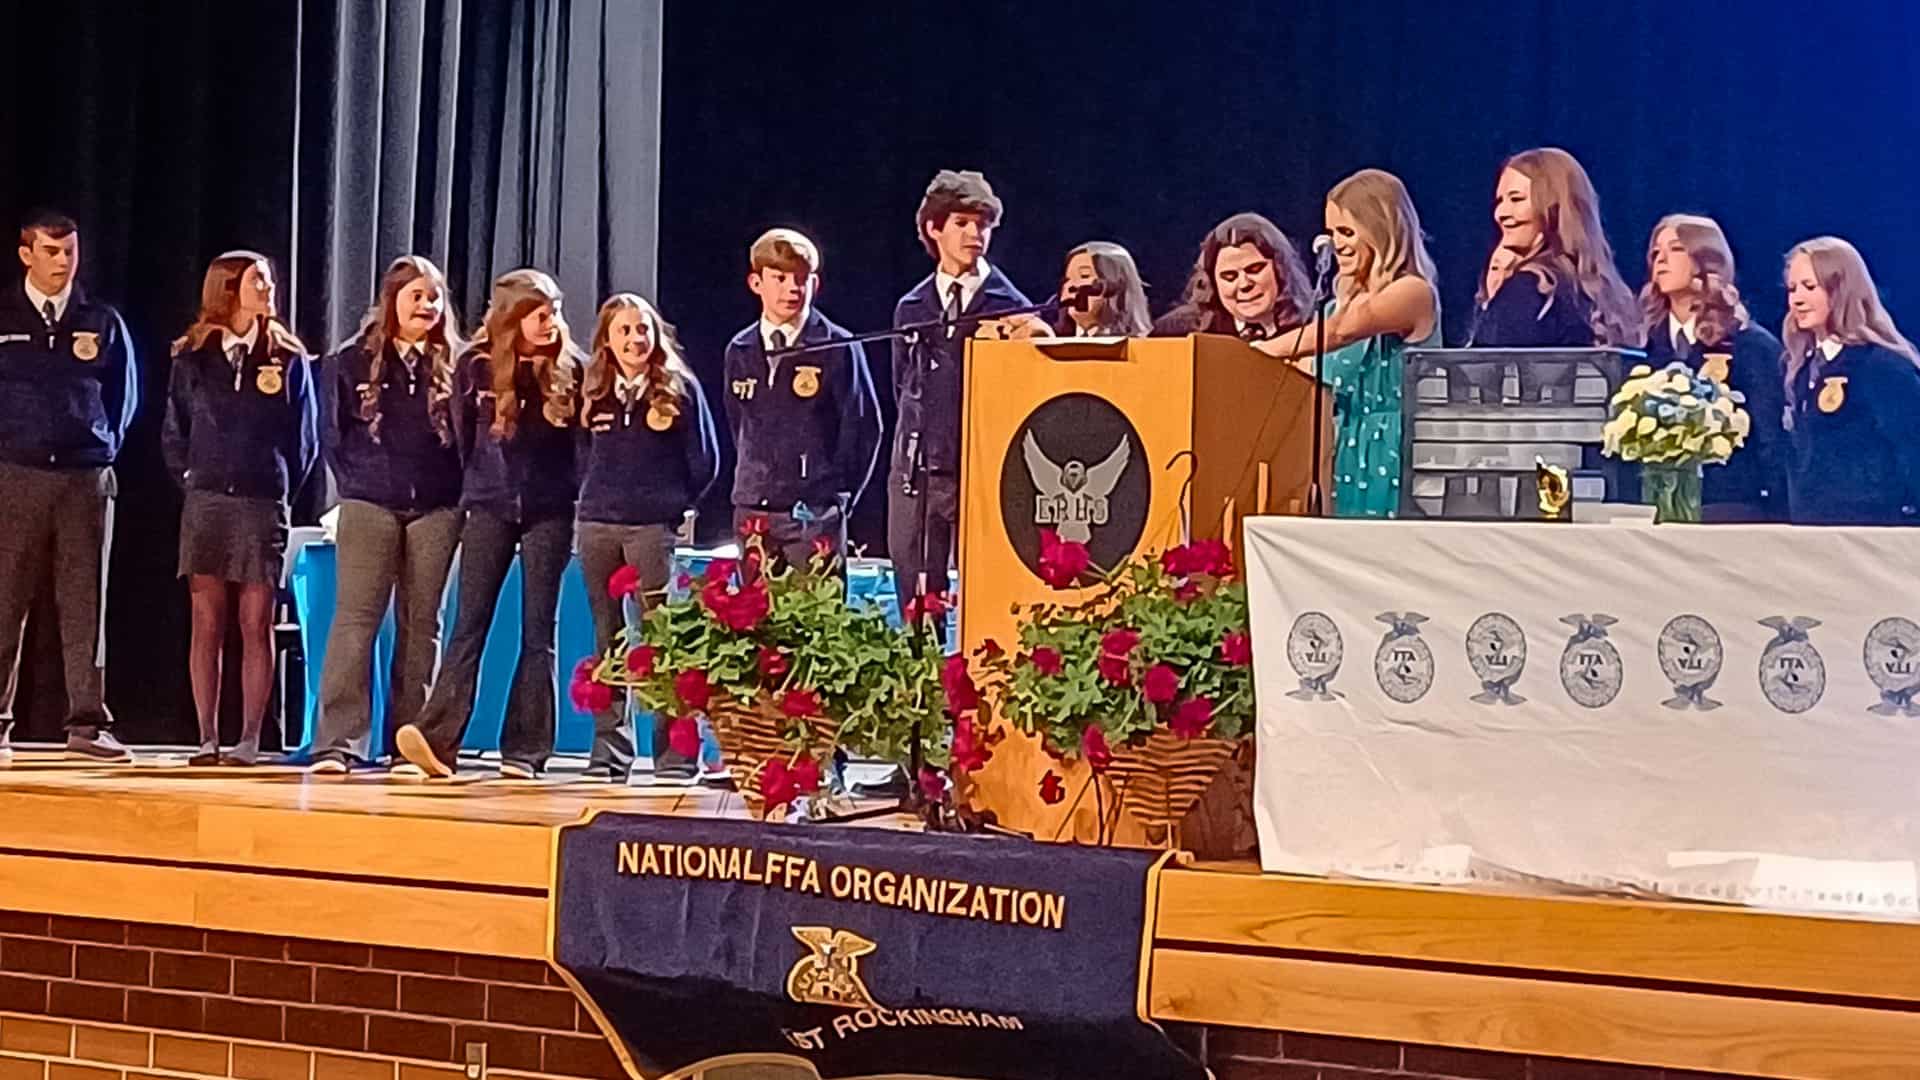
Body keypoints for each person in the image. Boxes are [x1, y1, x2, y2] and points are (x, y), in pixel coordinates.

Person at [395, 269, 583, 779]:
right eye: (539, 315)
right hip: (488, 507)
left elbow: (580, 451)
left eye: (555, 312)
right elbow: (461, 437)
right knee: (467, 623)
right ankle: (437, 739)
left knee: (539, 630)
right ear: (512, 318)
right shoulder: (475, 367)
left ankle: (526, 750)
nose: (551, 323)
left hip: (549, 511)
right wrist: (480, 489)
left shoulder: (573, 370)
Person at [309, 256, 466, 775]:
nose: (426, 305)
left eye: (434, 297)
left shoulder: (458, 365)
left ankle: (410, 743)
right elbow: (331, 436)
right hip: (369, 503)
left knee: (424, 626)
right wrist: (357, 484)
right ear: (391, 299)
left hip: (438, 509)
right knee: (356, 620)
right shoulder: (351, 361)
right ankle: (339, 743)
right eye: (416, 295)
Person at [163, 251, 319, 765]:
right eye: (258, 281)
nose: (269, 289)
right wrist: (191, 478)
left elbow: (305, 442)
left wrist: (276, 487)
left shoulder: (288, 358)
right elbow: (174, 429)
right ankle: (206, 736)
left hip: (260, 503)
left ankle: (250, 738)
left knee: (256, 622)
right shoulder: (192, 356)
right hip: (206, 501)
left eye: (270, 281)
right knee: (206, 620)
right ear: (228, 289)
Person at [0, 210, 138, 765]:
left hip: (84, 478)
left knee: (87, 604)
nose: (62, 262)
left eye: (70, 251)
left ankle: (86, 723)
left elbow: (124, 396)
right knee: (7, 599)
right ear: (25, 254)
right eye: (51, 251)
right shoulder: (4, 315)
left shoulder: (99, 320)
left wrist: (99, 447)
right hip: (16, 474)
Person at [576, 293, 718, 782]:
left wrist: (673, 504)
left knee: (663, 640)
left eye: (643, 329)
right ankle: (609, 754)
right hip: (596, 527)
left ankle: (676, 756)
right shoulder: (592, 389)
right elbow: (578, 458)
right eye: (624, 331)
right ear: (606, 340)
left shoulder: (680, 390)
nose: (635, 339)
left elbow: (706, 460)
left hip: (651, 529)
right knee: (607, 640)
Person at [1251, 169, 1440, 518]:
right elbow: (1312, 368)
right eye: (1331, 232)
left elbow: (1343, 331)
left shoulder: (1412, 292)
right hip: (1343, 451)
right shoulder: (1337, 306)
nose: (1335, 244)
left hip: (1395, 452)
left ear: (1381, 231)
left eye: (1347, 232)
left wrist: (1253, 353)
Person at [890, 171, 1030, 606]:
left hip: (982, 473)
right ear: (934, 229)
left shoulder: (1012, 308)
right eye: (963, 223)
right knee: (914, 591)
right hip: (918, 473)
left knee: (987, 593)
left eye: (983, 225)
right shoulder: (912, 307)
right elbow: (903, 387)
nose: (976, 234)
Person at [722, 228, 882, 568]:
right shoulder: (740, 348)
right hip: (754, 510)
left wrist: (836, 496)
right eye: (779, 278)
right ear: (756, 283)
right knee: (756, 616)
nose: (791, 289)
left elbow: (863, 428)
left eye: (801, 279)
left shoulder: (837, 345)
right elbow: (738, 421)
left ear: (815, 285)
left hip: (813, 513)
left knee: (814, 615)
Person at [1640, 215, 1787, 521]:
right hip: (1651, 509)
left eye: (1676, 249)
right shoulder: (1641, 345)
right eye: (1656, 253)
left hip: (1732, 508)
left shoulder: (1747, 344)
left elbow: (1771, 441)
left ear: (1707, 260)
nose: (1661, 260)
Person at [1780, 237, 1920, 525]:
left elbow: (1912, 450)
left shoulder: (1880, 366)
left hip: (1872, 532)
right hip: (1813, 531)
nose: (1797, 299)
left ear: (1840, 290)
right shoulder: (1801, 369)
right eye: (1792, 288)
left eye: (1809, 287)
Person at [1466, 147, 1642, 349]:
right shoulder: (1605, 291)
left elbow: (1482, 373)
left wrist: (1498, 303)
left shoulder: (1530, 287)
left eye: (1516, 199)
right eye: (1500, 201)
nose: (1501, 213)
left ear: (1555, 206)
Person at [1150, 212, 1313, 342]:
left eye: (1255, 269)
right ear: (1212, 282)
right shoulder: (1175, 334)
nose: (1244, 284)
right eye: (1229, 276)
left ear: (1281, 270)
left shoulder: (1313, 328)